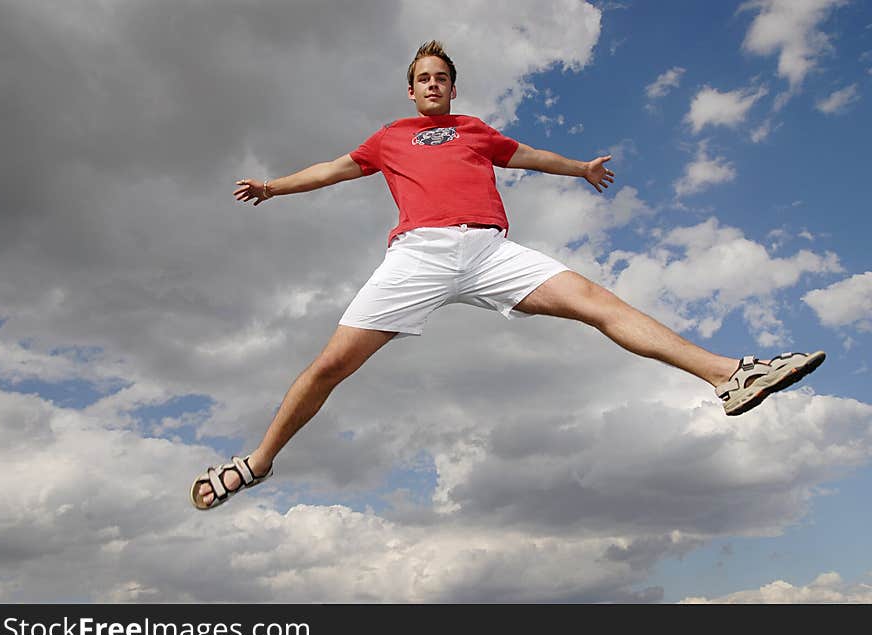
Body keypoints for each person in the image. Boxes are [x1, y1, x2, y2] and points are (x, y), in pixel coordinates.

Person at [190, 41, 825, 510]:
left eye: (441, 78)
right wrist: (273, 187)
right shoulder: (390, 138)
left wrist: (579, 169)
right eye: (423, 79)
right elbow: (331, 168)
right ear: (410, 91)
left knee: (595, 301)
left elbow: (527, 156)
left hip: (490, 252)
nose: (433, 85)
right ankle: (258, 461)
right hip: (418, 254)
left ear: (452, 88)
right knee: (330, 366)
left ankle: (730, 376)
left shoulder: (473, 131)